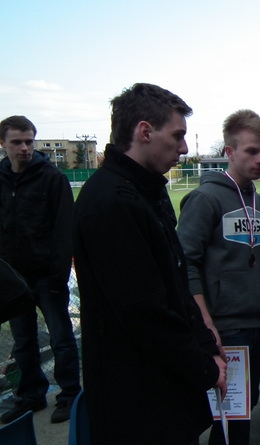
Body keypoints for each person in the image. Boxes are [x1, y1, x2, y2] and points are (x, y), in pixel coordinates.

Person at [72, 83, 227, 443]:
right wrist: (202, 367)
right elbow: (144, 312)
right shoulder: (111, 202)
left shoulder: (146, 191)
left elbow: (175, 282)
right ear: (145, 132)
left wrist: (205, 344)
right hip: (137, 401)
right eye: (177, 136)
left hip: (164, 390)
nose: (184, 148)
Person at [177, 109, 260, 445]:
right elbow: (185, 264)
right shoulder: (205, 198)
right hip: (223, 328)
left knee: (243, 407)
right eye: (251, 151)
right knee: (229, 417)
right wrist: (206, 325)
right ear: (229, 152)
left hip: (252, 321)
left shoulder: (254, 196)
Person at [0, 116, 81, 424]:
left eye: (29, 141)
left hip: (48, 276)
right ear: (3, 144)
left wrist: (59, 276)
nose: (24, 147)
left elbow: (64, 231)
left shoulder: (52, 178)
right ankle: (31, 395)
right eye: (17, 142)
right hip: (14, 279)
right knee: (23, 341)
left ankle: (70, 395)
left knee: (61, 338)